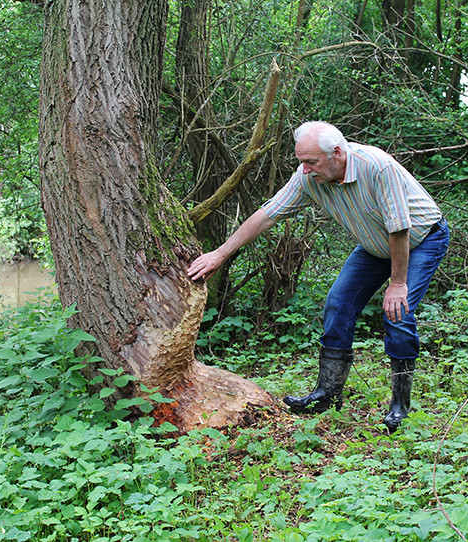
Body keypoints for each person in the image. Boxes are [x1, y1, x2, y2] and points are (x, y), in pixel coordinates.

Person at [187, 121, 449, 432]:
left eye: (311, 161)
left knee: (398, 312)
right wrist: (220, 253)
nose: (305, 169)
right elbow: (267, 214)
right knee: (338, 303)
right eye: (301, 162)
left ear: (337, 153)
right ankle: (327, 393)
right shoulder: (308, 177)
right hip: (374, 244)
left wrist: (397, 283)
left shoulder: (377, 167)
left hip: (419, 239)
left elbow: (399, 228)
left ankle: (400, 407)